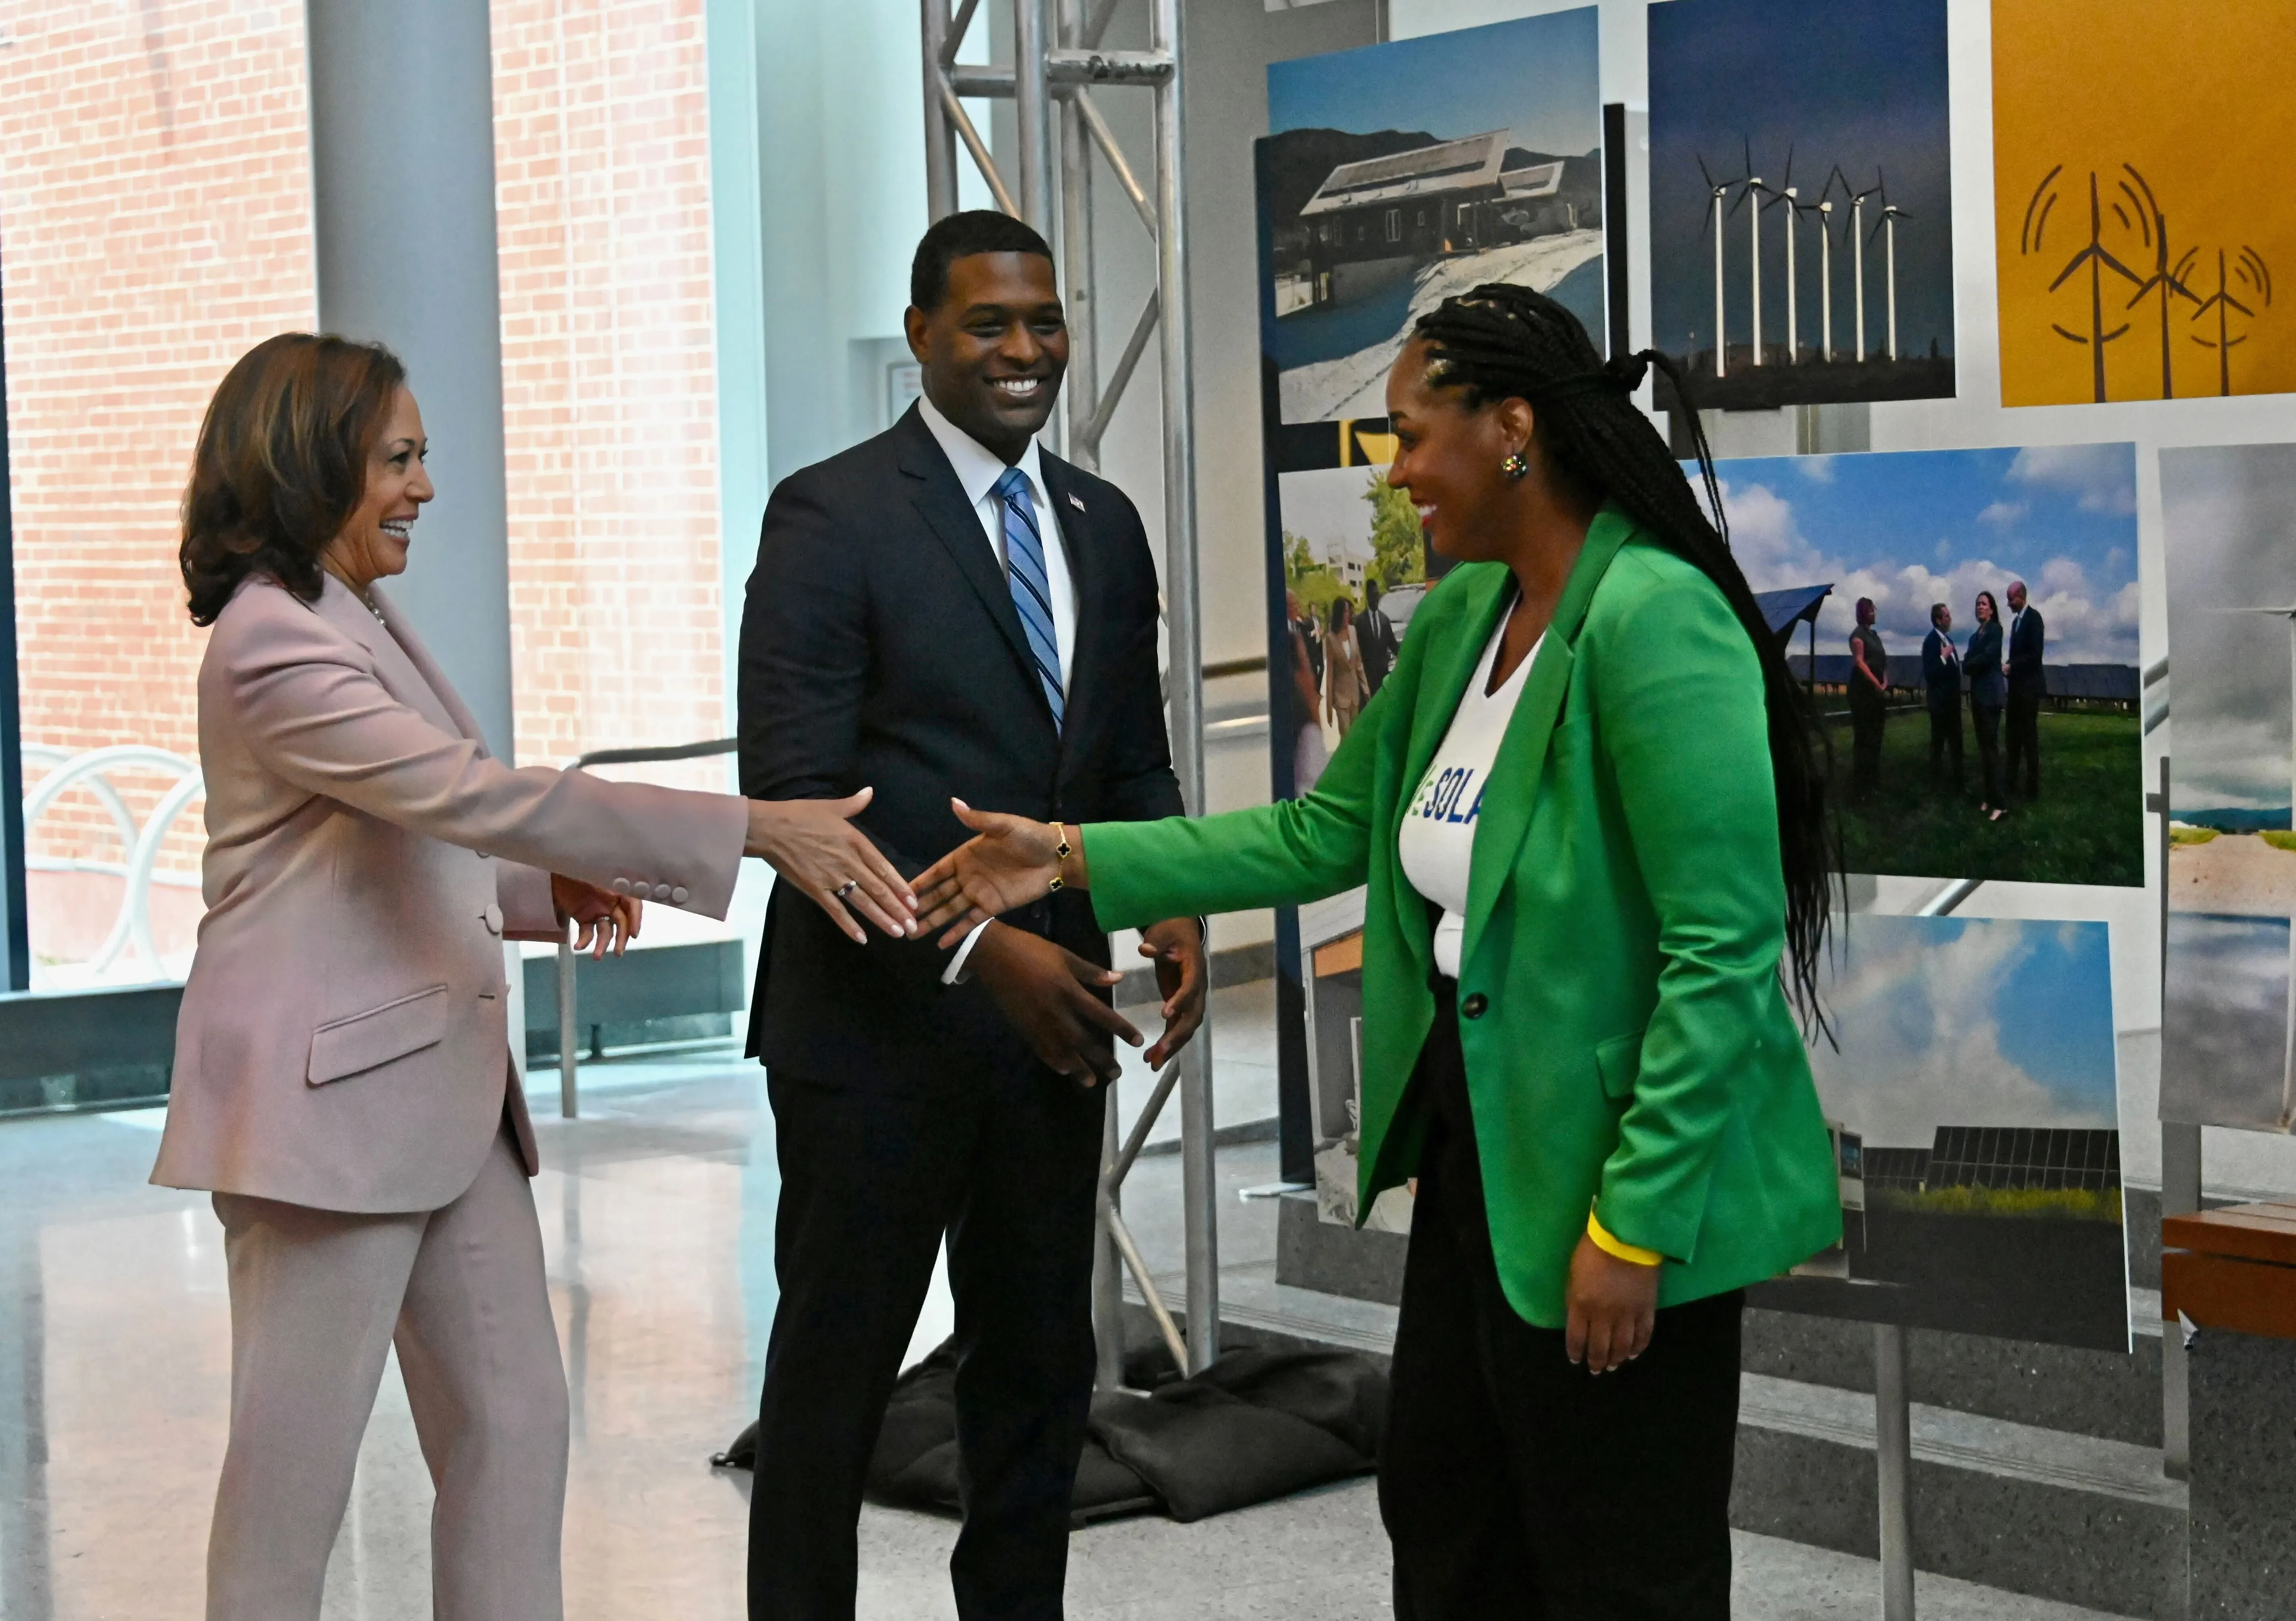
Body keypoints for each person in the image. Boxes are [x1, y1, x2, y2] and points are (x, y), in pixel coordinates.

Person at [914, 284, 1841, 1619]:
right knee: (1451, 1518)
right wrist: (1068, 854)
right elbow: (1321, 832)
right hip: (1481, 1157)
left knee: (1620, 1557)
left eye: (1411, 436)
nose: (1396, 474)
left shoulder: (1654, 619)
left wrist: (1633, 1229)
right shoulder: (1467, 619)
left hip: (1626, 1174)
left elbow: (1720, 951)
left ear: (1512, 429)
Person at [157, 334, 915, 1621]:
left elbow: (391, 837)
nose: (423, 489)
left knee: (515, 1432)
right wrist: (748, 827)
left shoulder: (353, 611)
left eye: (421, 459)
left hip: (444, 1107)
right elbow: (460, 792)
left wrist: (530, 894)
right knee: (293, 1493)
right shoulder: (267, 642)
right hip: (323, 1119)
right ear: (311, 463)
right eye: (399, 460)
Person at [735, 210, 1207, 1619]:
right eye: (990, 323)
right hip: (871, 1034)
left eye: (1046, 321)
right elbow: (799, 795)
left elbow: (1126, 751)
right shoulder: (830, 514)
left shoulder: (1101, 524)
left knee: (1037, 1373)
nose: (1026, 349)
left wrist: (1168, 890)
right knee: (835, 1380)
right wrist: (974, 944)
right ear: (924, 335)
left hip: (1049, 1032)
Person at [1966, 590, 2010, 821]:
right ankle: (1990, 796)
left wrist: (1973, 662)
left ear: (1992, 609)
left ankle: (2001, 804)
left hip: (1991, 696)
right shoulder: (1975, 636)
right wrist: (1973, 662)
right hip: (1977, 696)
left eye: (1984, 604)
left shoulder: (1996, 630)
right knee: (1984, 751)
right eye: (1978, 604)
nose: (1980, 607)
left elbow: (1987, 658)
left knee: (1991, 751)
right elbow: (1969, 662)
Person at [2005, 578, 2046, 800]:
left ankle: (2032, 790)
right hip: (2015, 689)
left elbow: (2035, 654)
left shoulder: (2034, 619)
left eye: (2011, 599)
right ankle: (2010, 783)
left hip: (2029, 689)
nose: (2009, 604)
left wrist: (2012, 665)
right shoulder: (2015, 624)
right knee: (2012, 737)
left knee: (2029, 738)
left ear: (2021, 597)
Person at [1287, 588, 1331, 792]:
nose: (1296, 607)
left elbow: (1310, 666)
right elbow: (1305, 675)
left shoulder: (1300, 630)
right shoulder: (1285, 637)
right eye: (1292, 603)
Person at [1848, 596, 1888, 800]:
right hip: (1863, 693)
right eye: (1871, 610)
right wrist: (1876, 683)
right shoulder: (1858, 636)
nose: (1874, 613)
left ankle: (1873, 781)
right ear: (1864, 612)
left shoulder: (1875, 636)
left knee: (1876, 738)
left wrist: (1885, 681)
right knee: (1864, 739)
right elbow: (1860, 663)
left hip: (1877, 693)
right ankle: (1861, 788)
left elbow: (1882, 660)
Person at [1921, 602, 1964, 794]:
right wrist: (1943, 658)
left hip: (1953, 703)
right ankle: (1935, 783)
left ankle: (1959, 782)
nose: (1950, 619)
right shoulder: (1931, 642)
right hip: (1940, 703)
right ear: (1938, 620)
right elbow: (1930, 673)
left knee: (1957, 743)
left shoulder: (1948, 640)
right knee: (1938, 743)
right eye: (1946, 616)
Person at [1324, 596, 1369, 737]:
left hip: (1355, 695)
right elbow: (1330, 674)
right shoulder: (1331, 639)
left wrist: (1366, 688)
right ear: (1339, 614)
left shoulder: (1353, 631)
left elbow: (1358, 663)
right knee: (1346, 738)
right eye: (1344, 612)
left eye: (1348, 612)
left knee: (1356, 737)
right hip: (1341, 697)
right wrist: (1329, 706)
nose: (1348, 615)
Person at [1358, 575, 1401, 696]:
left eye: (1378, 595)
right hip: (1368, 679)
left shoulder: (1384, 620)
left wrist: (1405, 656)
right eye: (1373, 595)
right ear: (1368, 596)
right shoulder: (1360, 622)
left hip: (1383, 675)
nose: (1376, 598)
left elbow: (1393, 645)